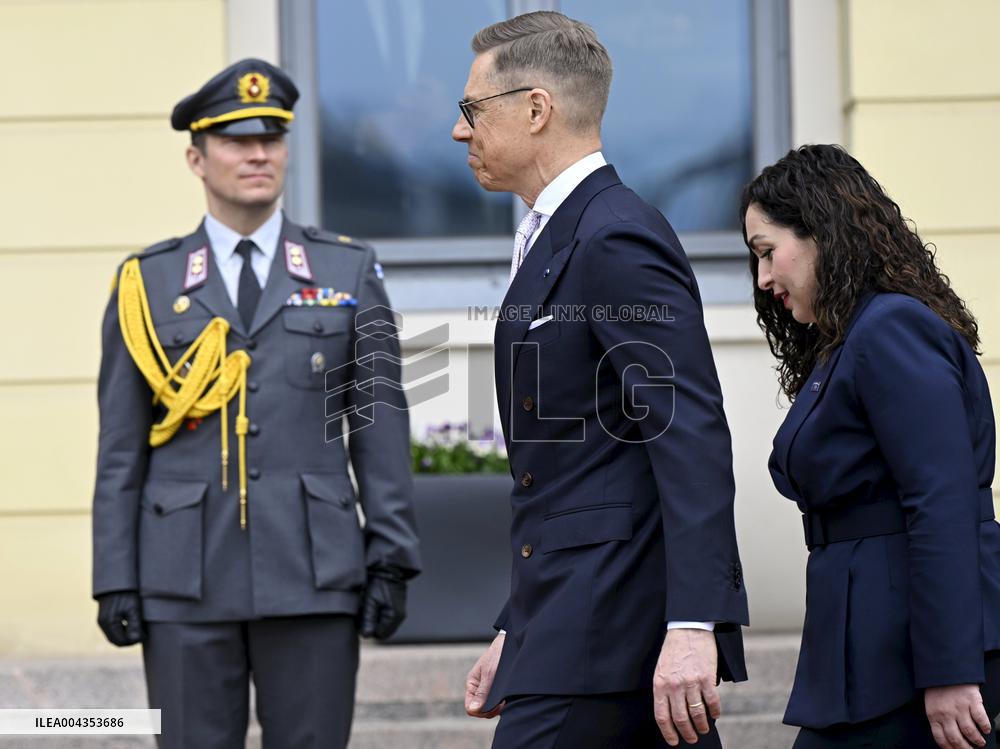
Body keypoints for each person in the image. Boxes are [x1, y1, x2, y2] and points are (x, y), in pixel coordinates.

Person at [91, 58, 421, 749]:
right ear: (196, 156)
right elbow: (120, 445)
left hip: (314, 570)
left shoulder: (346, 270)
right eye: (237, 140)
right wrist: (114, 575)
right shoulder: (146, 284)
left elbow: (379, 426)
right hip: (183, 574)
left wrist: (391, 554)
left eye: (271, 138)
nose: (258, 153)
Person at [452, 12, 748, 748]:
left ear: (535, 108)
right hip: (571, 626)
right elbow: (569, 471)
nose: (461, 133)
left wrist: (692, 625)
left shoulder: (613, 231)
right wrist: (516, 627)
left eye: (471, 110)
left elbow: (688, 434)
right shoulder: (557, 230)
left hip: (608, 631)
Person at [742, 143, 1000, 749]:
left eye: (768, 253)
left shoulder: (889, 328)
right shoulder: (852, 339)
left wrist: (950, 670)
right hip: (867, 645)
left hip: (913, 654)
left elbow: (941, 501)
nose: (763, 278)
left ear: (823, 234)